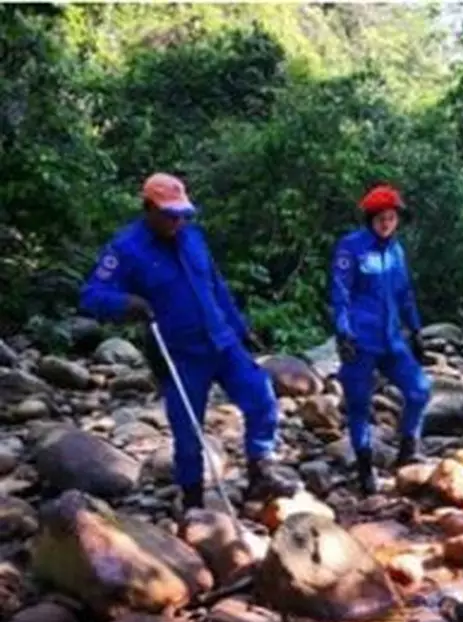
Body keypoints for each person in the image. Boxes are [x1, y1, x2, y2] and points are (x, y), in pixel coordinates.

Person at [80, 173, 300, 510]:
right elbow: (92, 295)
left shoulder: (193, 237)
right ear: (149, 208)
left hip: (222, 341)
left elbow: (216, 286)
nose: (177, 221)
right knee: (188, 433)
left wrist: (239, 327)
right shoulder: (125, 249)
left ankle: (260, 469)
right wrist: (126, 303)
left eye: (181, 214)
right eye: (169, 214)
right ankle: (193, 501)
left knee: (261, 397)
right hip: (179, 354)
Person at [331, 183, 432, 495]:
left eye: (392, 218)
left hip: (391, 339)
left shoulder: (396, 251)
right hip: (360, 341)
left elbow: (404, 294)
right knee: (359, 404)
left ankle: (408, 446)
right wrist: (343, 332)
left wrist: (416, 330)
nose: (387, 224)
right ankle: (364, 467)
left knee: (419, 390)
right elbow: (340, 293)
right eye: (381, 218)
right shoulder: (351, 248)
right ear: (371, 219)